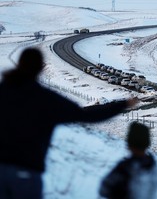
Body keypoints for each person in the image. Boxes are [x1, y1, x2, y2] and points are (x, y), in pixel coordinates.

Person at [0, 47, 137, 199]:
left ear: (19, 64)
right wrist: (122, 105)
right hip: (25, 173)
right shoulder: (45, 99)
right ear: (40, 68)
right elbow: (87, 116)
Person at [99, 121, 157, 199]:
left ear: (129, 144)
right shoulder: (152, 165)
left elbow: (104, 189)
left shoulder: (124, 168)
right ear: (147, 143)